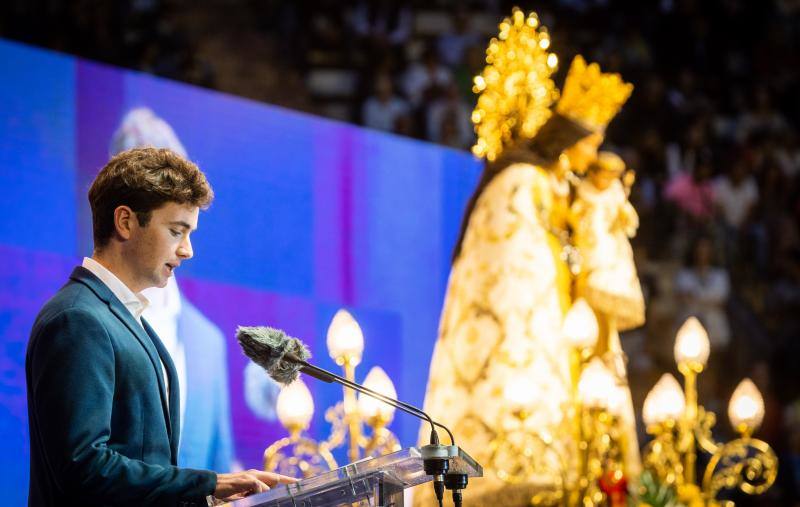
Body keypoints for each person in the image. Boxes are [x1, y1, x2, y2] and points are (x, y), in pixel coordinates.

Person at [416, 10, 633, 504]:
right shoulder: (521, 181)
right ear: (569, 139)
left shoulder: (559, 185)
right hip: (520, 344)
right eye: (590, 143)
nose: (592, 155)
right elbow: (518, 266)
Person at [26, 147, 295, 505]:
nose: (188, 251)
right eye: (176, 231)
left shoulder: (123, 317)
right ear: (125, 222)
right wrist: (206, 483)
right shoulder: (78, 319)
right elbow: (82, 467)